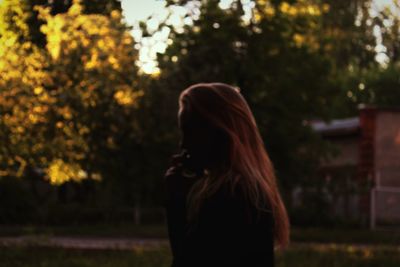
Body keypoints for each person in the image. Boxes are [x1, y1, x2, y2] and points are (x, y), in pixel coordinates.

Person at [163, 82, 290, 267]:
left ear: (219, 132)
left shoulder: (228, 195)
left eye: (190, 132)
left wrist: (176, 206)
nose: (183, 145)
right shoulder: (251, 190)